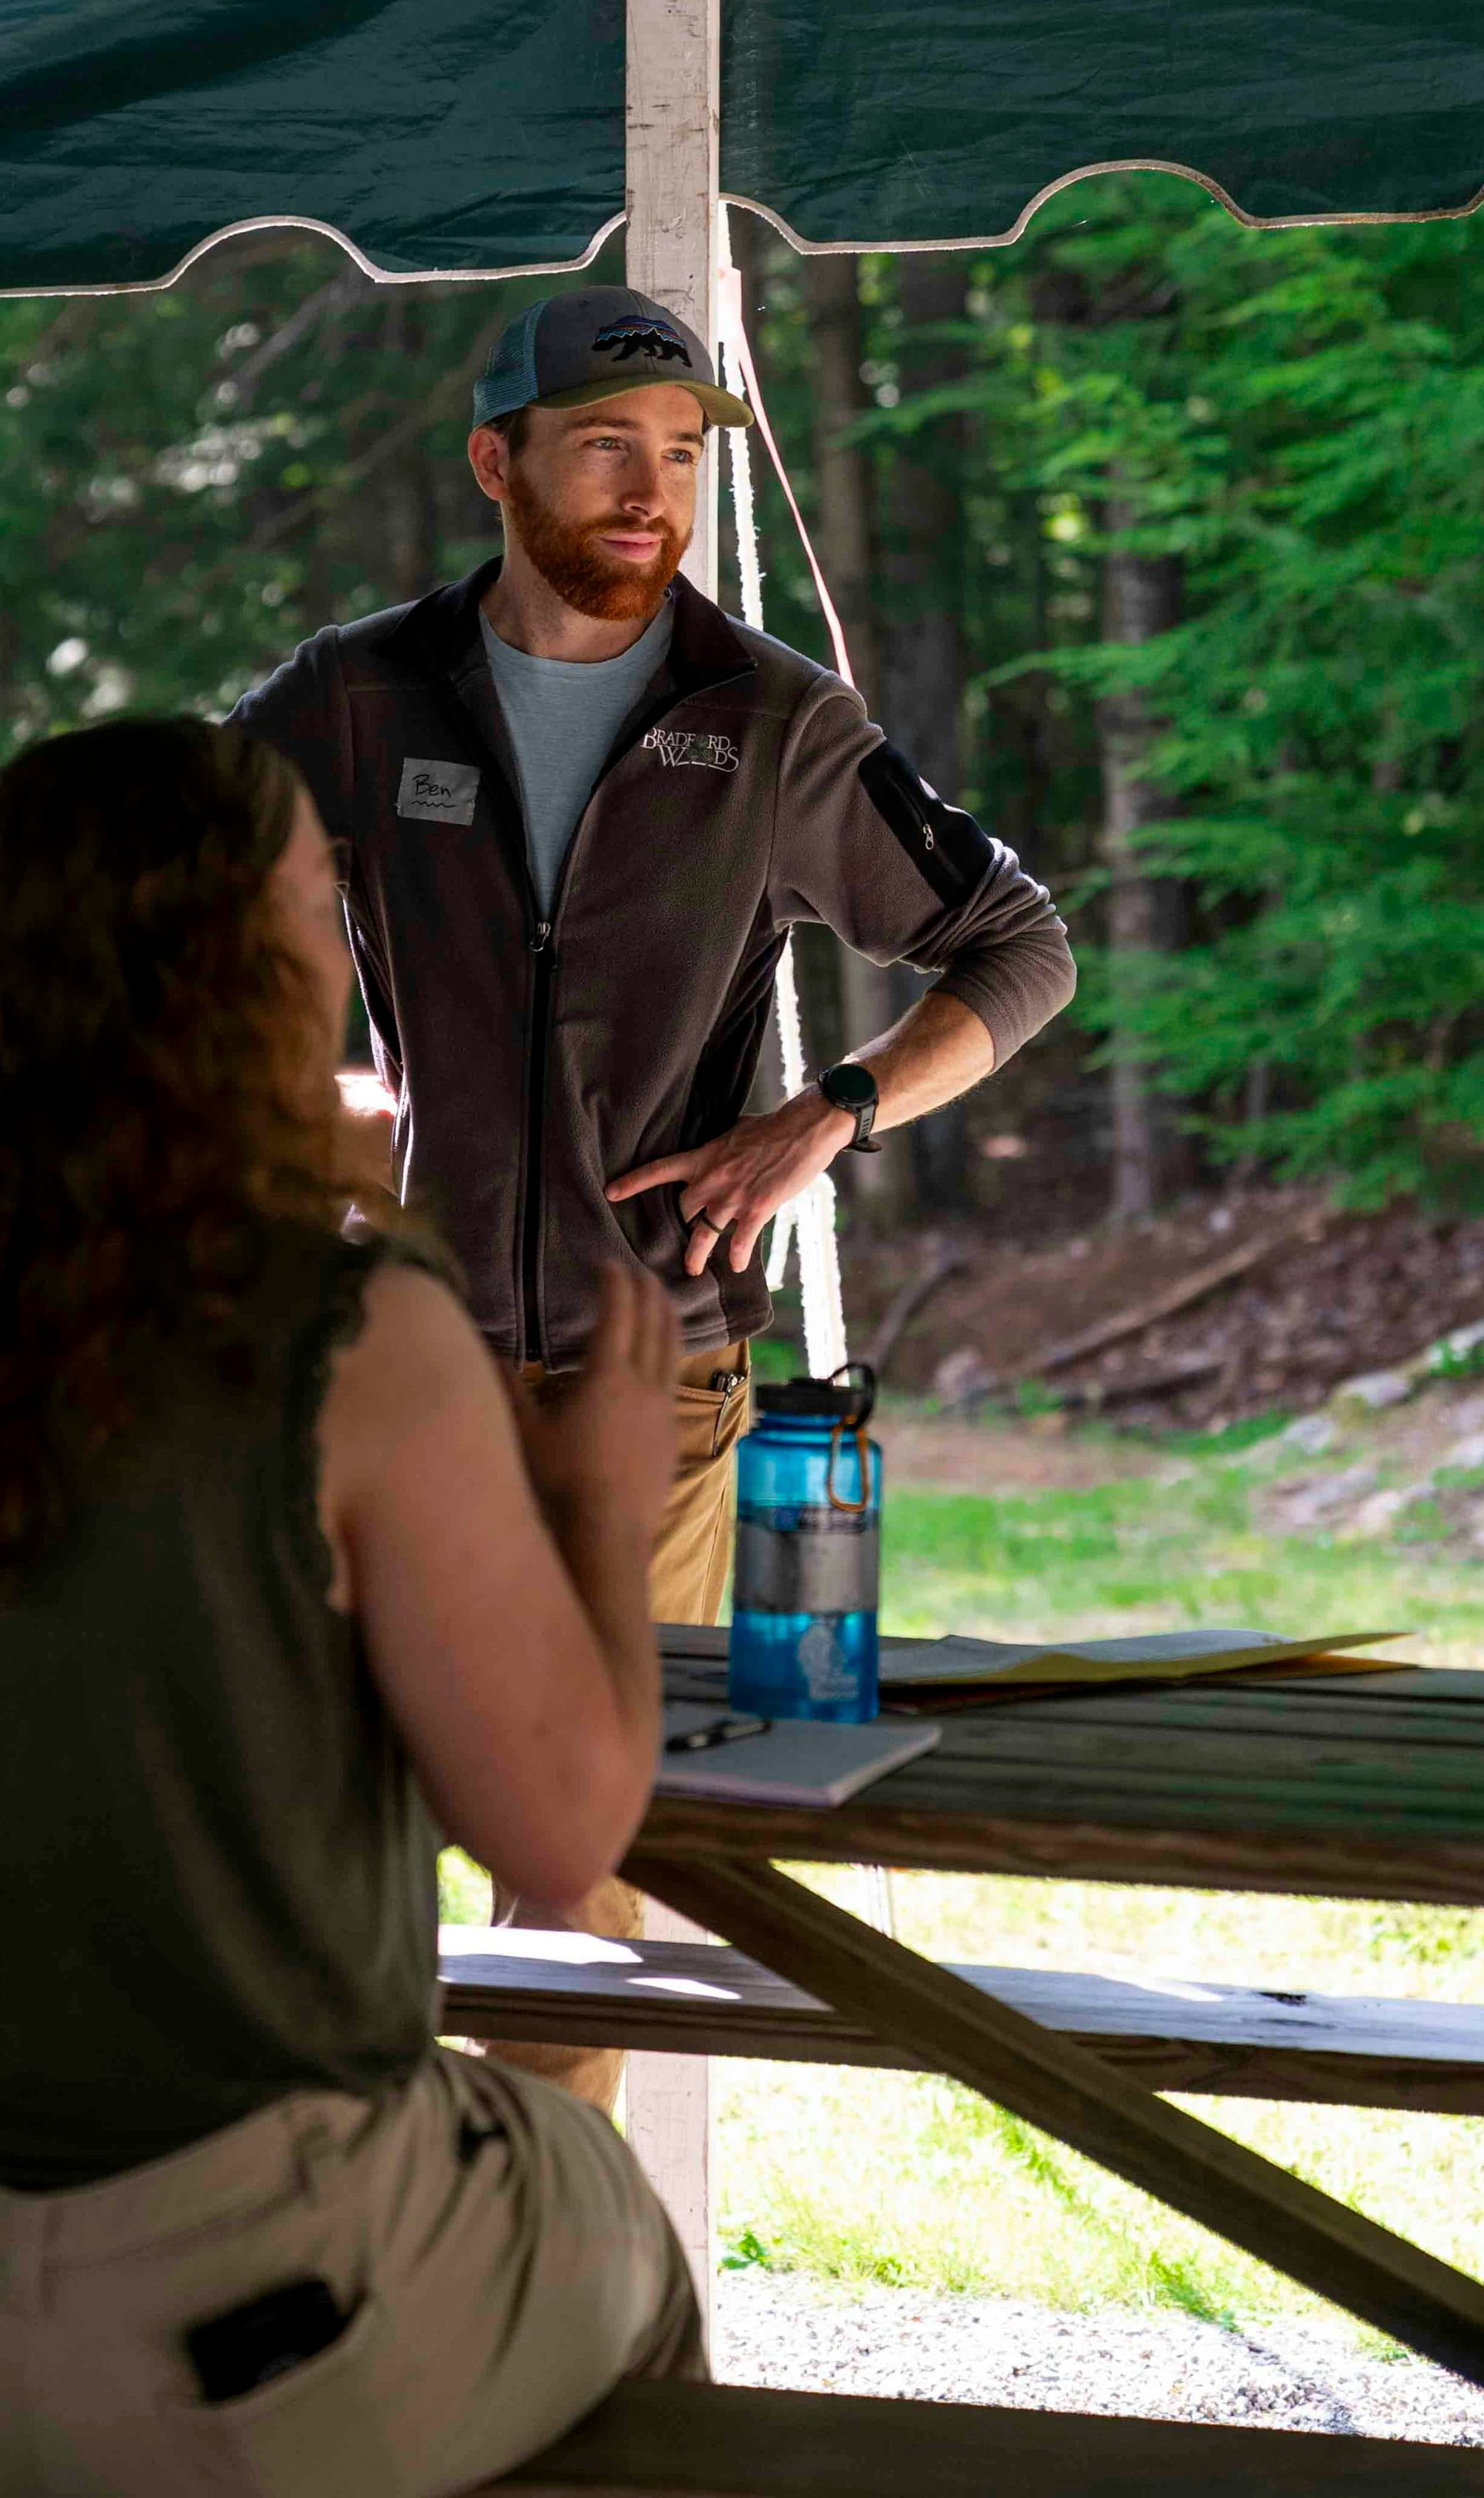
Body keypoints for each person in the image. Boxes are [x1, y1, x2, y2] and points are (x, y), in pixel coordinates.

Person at [0, 718, 701, 2498]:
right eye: (325, 911)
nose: (350, 956)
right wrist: (599, 1511)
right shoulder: (357, 1334)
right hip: (248, 2320)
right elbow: (561, 1833)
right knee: (594, 2203)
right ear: (246, 972)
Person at [234, 284, 1076, 2105]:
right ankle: (339, 2265)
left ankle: (536, 2311)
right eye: (607, 445)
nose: (650, 489)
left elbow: (1017, 950)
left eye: (681, 454)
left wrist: (827, 1114)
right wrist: (301, 1107)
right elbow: (165, 941)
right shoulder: (351, 700)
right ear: (498, 461)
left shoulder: (768, 718)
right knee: (322, 1833)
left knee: (577, 1870)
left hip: (659, 1389)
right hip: (381, 1375)